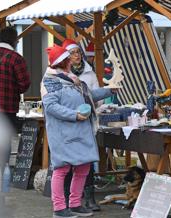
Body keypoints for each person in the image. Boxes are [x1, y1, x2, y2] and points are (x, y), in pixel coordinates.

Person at [42, 45, 114, 218]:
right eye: (69, 59)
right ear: (64, 62)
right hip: (63, 133)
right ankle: (59, 208)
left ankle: (75, 204)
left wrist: (110, 90)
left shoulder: (72, 79)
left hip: (80, 131)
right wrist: (74, 115)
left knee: (83, 167)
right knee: (62, 169)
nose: (72, 61)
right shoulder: (50, 81)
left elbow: (88, 95)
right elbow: (50, 106)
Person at [0, 27, 30, 172]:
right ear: (12, 40)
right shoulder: (16, 58)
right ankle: (2, 169)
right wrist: (12, 88)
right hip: (7, 106)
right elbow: (24, 84)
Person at [62, 39, 101, 211]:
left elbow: (96, 97)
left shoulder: (90, 74)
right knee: (69, 162)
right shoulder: (60, 74)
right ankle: (67, 199)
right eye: (72, 53)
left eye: (78, 52)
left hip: (86, 123)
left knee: (87, 160)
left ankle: (90, 198)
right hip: (69, 122)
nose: (76, 56)